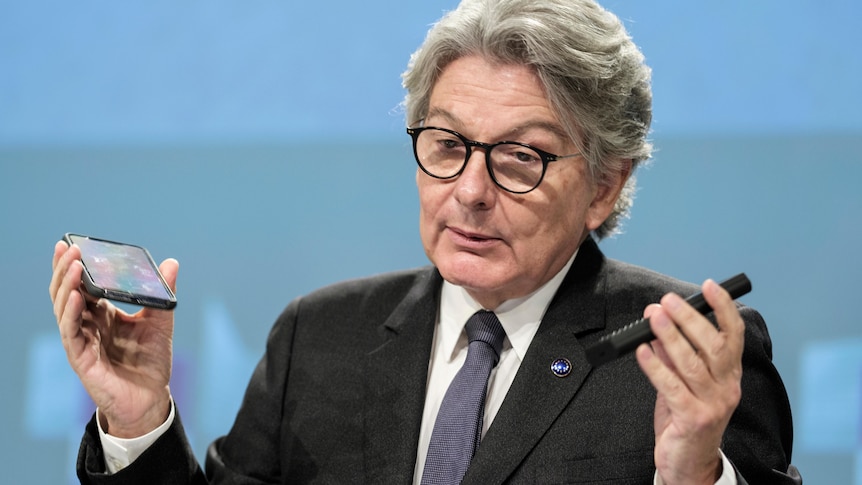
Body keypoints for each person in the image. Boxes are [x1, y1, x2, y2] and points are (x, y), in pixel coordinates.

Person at [49, 0, 802, 483]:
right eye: (446, 145)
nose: (470, 190)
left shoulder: (685, 356)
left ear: (604, 185)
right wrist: (140, 417)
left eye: (520, 158)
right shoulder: (316, 337)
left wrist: (696, 475)